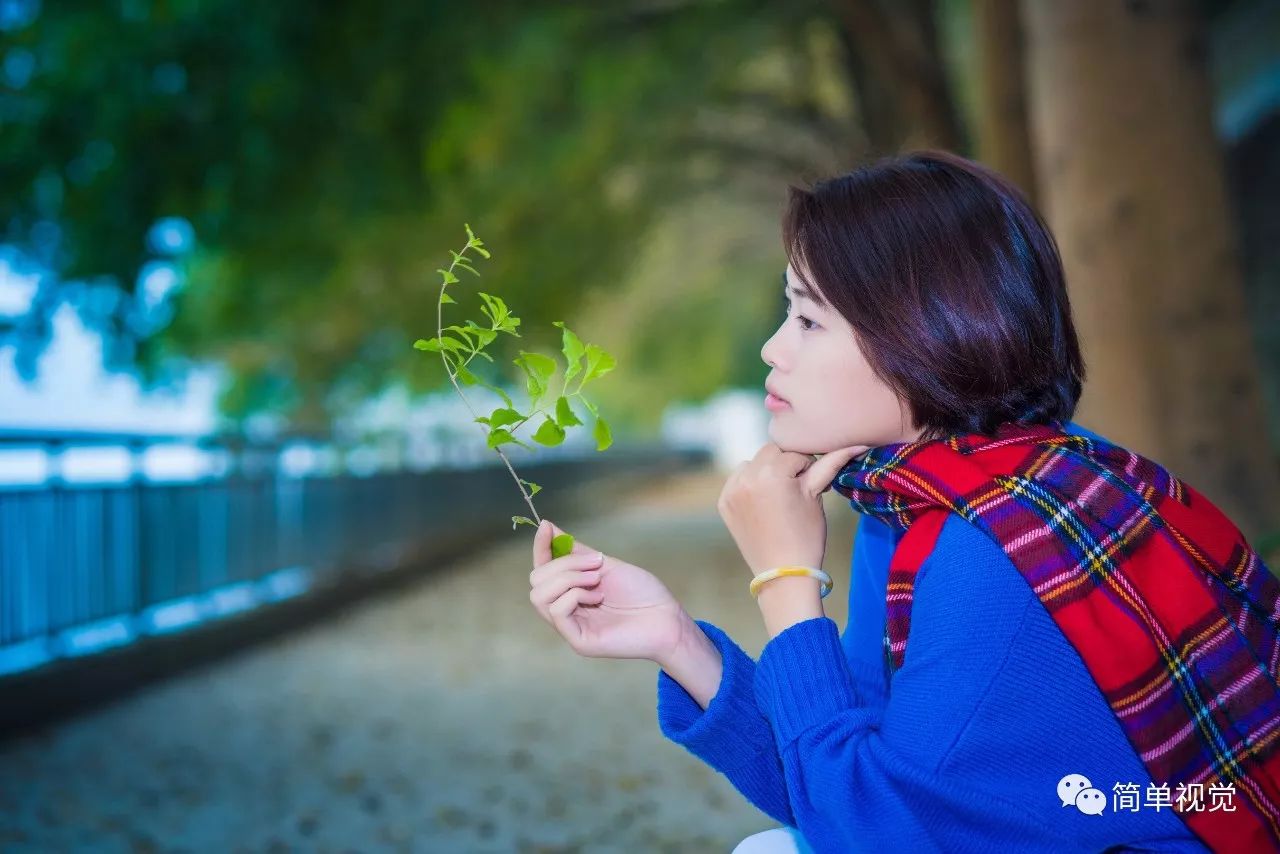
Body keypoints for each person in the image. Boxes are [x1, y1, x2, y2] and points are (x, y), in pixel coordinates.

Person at [527, 150, 1280, 853]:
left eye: (809, 319)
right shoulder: (926, 499)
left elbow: (875, 831)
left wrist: (786, 581)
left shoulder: (1000, 547)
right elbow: (840, 770)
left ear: (920, 337)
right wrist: (675, 641)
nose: (773, 349)